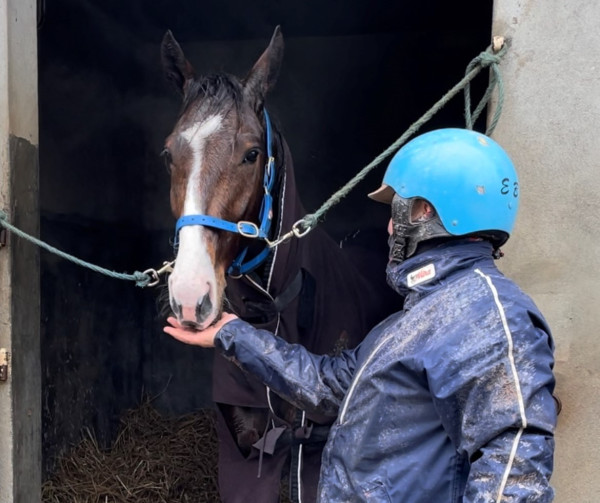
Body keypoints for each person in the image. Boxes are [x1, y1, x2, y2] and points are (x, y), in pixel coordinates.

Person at [164, 128, 557, 502]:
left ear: (425, 212)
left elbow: (513, 479)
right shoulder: (417, 319)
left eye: (397, 210)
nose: (388, 227)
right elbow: (330, 387)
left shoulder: (489, 318)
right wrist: (232, 334)